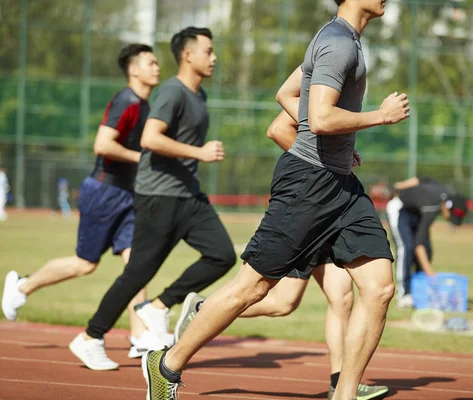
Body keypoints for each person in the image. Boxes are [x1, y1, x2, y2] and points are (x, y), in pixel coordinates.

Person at [142, 1, 410, 399]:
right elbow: (319, 119)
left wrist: (337, 144)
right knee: (253, 288)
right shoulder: (339, 44)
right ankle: (167, 364)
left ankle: (345, 395)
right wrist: (379, 116)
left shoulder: (338, 38)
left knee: (379, 287)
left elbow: (287, 94)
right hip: (308, 183)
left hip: (341, 185)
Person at [175, 109, 389, 400]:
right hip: (312, 202)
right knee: (280, 301)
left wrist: (339, 159)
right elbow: (278, 128)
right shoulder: (322, 78)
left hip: (338, 202)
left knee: (344, 296)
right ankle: (203, 309)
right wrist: (325, 165)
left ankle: (340, 383)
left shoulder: (346, 85)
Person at [69, 26, 236, 371]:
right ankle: (90, 337)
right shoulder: (171, 93)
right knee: (137, 273)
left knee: (222, 254)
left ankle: (158, 307)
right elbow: (150, 138)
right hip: (158, 196)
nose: (214, 57)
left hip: (188, 196)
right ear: (188, 55)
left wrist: (195, 160)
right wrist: (199, 153)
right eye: (208, 51)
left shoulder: (199, 96)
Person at [1, 43, 166, 366]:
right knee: (84, 264)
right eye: (151, 62)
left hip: (128, 195)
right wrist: (143, 159)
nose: (158, 67)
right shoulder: (127, 101)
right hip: (104, 192)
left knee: (137, 265)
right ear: (134, 69)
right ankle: (23, 285)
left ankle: (139, 337)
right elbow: (102, 144)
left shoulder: (145, 105)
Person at [385, 177, 467, 308]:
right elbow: (418, 246)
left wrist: (399, 184)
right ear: (446, 207)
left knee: (427, 250)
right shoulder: (431, 207)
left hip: (416, 213)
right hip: (400, 208)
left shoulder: (444, 191)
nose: (449, 219)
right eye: (451, 217)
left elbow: (419, 180)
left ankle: (418, 289)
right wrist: (432, 277)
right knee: (407, 248)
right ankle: (404, 294)